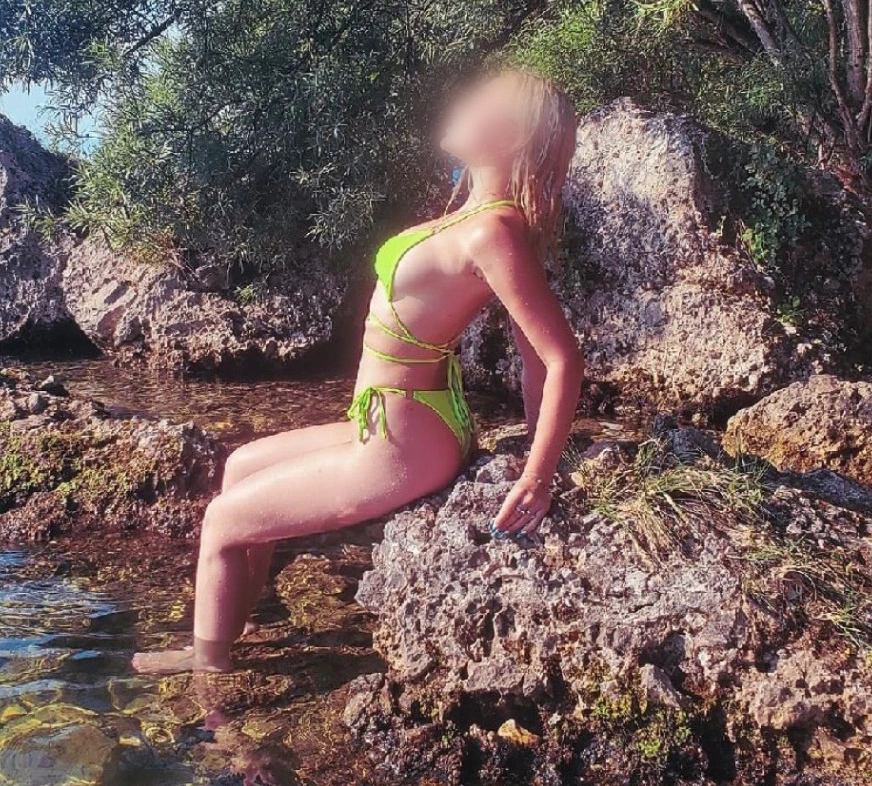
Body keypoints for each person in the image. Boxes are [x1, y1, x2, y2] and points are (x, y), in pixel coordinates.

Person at [133, 64, 583, 674]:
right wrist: (535, 444)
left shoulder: (492, 232)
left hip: (403, 444)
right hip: (390, 420)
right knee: (238, 467)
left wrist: (539, 472)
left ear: (511, 134)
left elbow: (556, 358)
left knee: (221, 520)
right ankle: (240, 619)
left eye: (483, 98)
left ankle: (209, 672)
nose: (463, 99)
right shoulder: (473, 217)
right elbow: (533, 360)